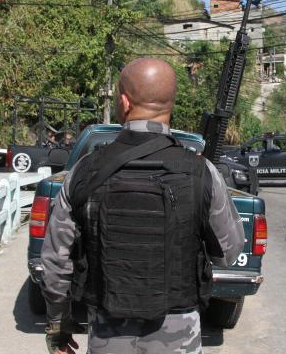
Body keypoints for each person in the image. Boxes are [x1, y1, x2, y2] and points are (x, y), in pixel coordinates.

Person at [41, 58, 245, 354]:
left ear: (124, 102)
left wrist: (58, 326)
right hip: (179, 335)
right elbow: (228, 253)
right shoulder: (201, 172)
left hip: (107, 334)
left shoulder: (85, 171)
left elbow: (56, 261)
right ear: (171, 103)